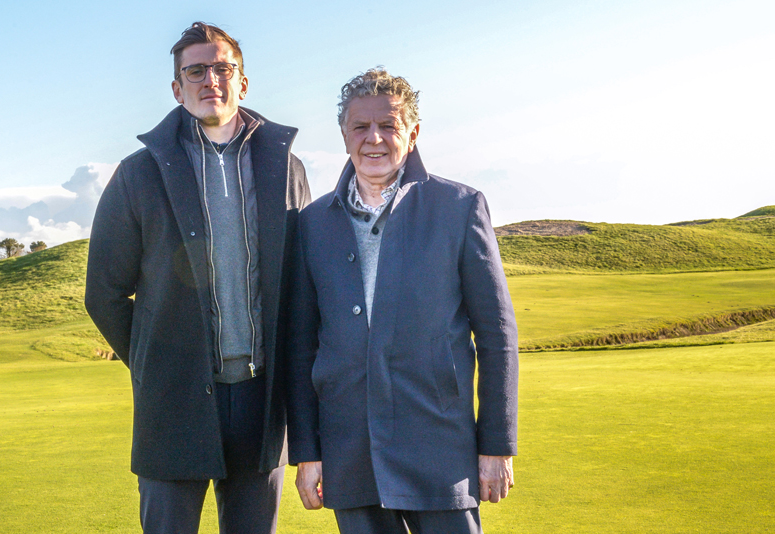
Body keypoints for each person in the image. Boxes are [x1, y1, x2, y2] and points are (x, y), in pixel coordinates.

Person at [85, 22, 310, 534]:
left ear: (242, 82)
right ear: (176, 88)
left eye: (222, 68)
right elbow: (104, 293)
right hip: (175, 401)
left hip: (262, 401)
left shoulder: (287, 168)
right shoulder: (137, 173)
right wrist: (156, 361)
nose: (211, 79)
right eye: (196, 70)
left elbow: (300, 286)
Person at [286, 68, 518, 534]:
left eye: (388, 125)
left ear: (412, 133)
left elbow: (496, 334)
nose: (374, 138)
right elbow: (300, 346)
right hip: (348, 448)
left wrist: (496, 444)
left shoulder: (460, 206)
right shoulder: (312, 223)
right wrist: (307, 452)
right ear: (344, 135)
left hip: (439, 446)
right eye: (360, 127)